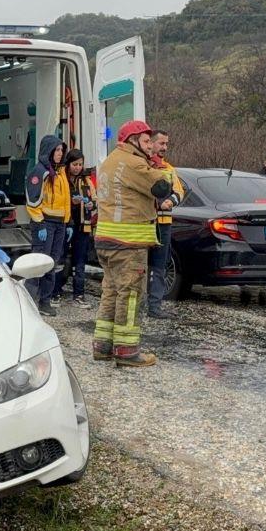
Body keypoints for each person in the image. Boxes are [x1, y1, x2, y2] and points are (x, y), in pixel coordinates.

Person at [93, 120, 176, 367]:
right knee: (130, 296)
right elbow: (162, 187)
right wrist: (160, 168)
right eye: (147, 140)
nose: (151, 145)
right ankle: (127, 350)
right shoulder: (134, 163)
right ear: (132, 140)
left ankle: (102, 346)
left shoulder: (110, 161)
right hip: (128, 243)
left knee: (110, 293)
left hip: (106, 240)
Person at [24, 135, 70, 316]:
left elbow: (65, 200)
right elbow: (32, 200)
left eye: (61, 150)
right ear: (48, 151)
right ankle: (28, 302)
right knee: (38, 264)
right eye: (56, 150)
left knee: (51, 263)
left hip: (59, 224)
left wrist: (69, 222)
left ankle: (45, 302)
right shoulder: (40, 172)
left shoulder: (60, 172)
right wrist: (40, 223)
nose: (59, 154)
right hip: (45, 223)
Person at [146, 130, 188, 319]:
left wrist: (171, 200)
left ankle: (155, 307)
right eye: (161, 143)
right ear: (151, 144)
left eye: (166, 144)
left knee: (159, 267)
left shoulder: (169, 169)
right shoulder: (144, 166)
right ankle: (137, 305)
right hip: (144, 223)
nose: (164, 148)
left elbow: (180, 191)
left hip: (163, 224)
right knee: (140, 266)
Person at [56, 148, 95, 309]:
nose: (77, 167)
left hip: (82, 225)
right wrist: (73, 203)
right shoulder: (61, 178)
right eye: (74, 164)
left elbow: (95, 197)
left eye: (80, 164)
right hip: (64, 224)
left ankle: (79, 295)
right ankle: (55, 292)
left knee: (80, 261)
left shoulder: (86, 180)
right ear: (68, 164)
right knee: (61, 258)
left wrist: (92, 204)